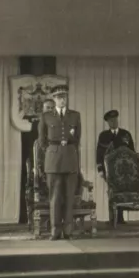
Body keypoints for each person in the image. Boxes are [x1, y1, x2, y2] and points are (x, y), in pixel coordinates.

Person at [38, 85, 81, 240]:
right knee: (55, 197)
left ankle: (68, 230)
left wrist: (68, 150)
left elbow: (77, 139)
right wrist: (53, 151)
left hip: (70, 158)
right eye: (59, 97)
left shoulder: (75, 116)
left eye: (64, 97)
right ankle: (55, 231)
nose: (62, 100)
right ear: (54, 99)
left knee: (70, 197)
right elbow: (42, 141)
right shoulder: (46, 116)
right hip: (53, 160)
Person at [96, 109, 135, 225]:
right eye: (111, 120)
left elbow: (132, 152)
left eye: (115, 119)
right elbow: (99, 153)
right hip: (109, 170)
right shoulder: (103, 136)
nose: (114, 122)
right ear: (107, 122)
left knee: (122, 191)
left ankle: (120, 218)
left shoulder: (126, 134)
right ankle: (112, 218)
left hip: (124, 170)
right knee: (112, 192)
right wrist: (100, 169)